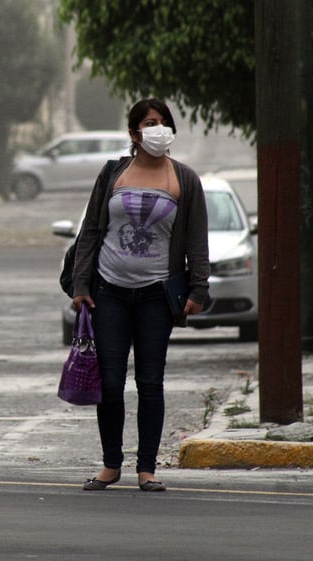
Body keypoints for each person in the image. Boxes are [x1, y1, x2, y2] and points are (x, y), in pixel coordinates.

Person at [71, 98, 210, 492]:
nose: (159, 129)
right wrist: (82, 286)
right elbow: (91, 233)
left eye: (164, 122)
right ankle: (111, 464)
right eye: (150, 122)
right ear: (134, 133)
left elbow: (197, 241)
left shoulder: (184, 179)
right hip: (109, 292)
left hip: (156, 297)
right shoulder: (113, 173)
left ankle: (146, 468)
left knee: (150, 382)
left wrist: (199, 289)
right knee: (110, 383)